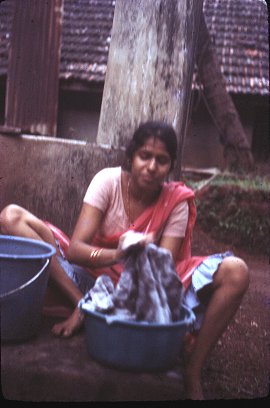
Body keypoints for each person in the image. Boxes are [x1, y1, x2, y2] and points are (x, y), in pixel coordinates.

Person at [0, 121, 249, 400]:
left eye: (162, 160)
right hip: (92, 276)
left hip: (143, 291)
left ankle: (192, 370)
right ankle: (82, 306)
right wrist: (119, 253)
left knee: (236, 271)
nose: (152, 166)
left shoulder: (176, 200)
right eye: (145, 156)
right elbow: (77, 251)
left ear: (170, 166)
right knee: (12, 217)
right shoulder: (107, 181)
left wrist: (141, 254)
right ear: (131, 156)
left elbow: (162, 271)